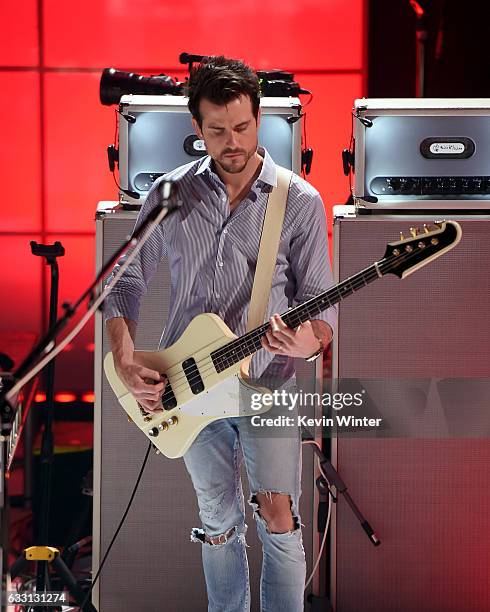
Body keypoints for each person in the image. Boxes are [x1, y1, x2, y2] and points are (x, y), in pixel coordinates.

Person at [104, 56, 336, 612]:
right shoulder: (170, 194)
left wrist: (307, 341)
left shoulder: (299, 200)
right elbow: (125, 281)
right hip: (187, 381)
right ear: (196, 127)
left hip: (269, 382)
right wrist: (125, 359)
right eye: (216, 130)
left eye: (242, 127)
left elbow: (323, 310)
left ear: (259, 120)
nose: (232, 141)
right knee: (217, 517)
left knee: (277, 512)